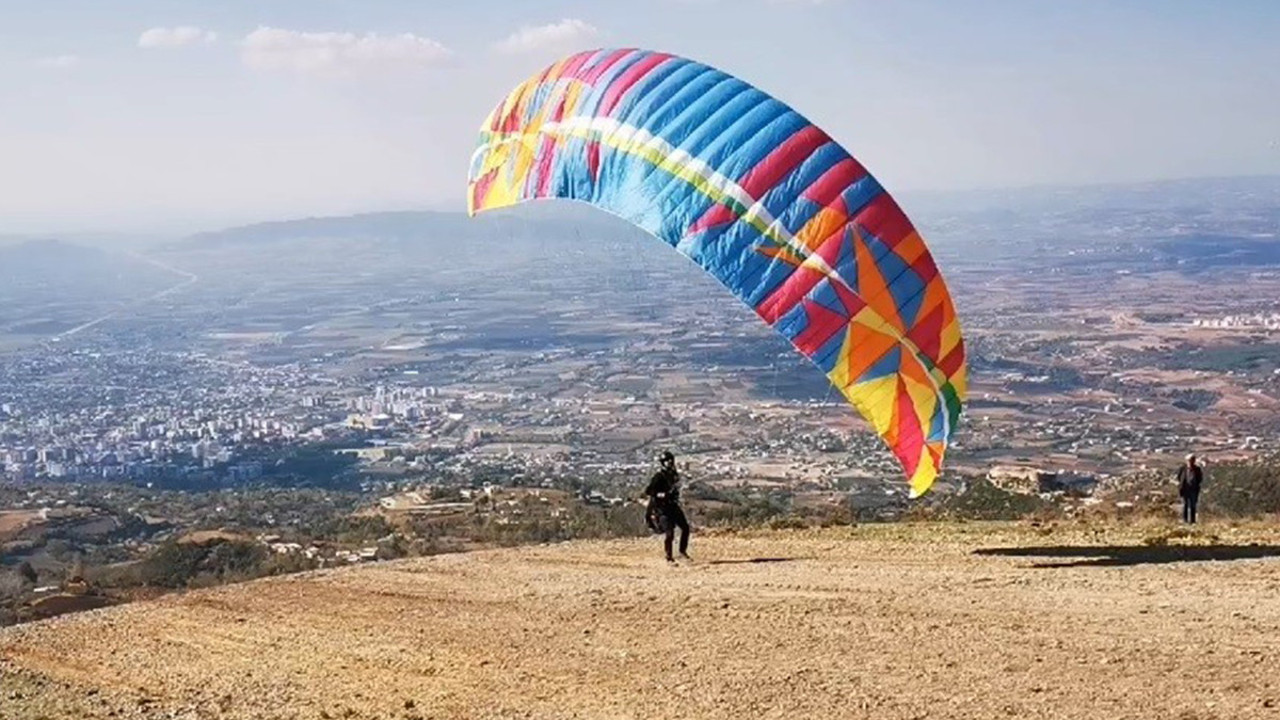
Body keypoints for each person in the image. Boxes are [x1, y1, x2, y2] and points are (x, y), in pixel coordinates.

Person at [644, 451, 690, 562]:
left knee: (685, 528)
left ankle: (682, 552)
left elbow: (676, 485)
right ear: (663, 463)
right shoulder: (658, 476)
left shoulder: (673, 474)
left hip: (673, 506)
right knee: (670, 533)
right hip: (662, 509)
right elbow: (649, 491)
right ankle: (669, 557)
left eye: (671, 460)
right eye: (667, 461)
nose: (669, 462)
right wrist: (664, 494)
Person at [1176, 453, 1204, 524]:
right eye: (1189, 460)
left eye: (1192, 460)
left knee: (1193, 505)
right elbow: (1179, 477)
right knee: (1185, 505)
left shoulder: (1197, 469)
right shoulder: (1182, 469)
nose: (1191, 462)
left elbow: (1200, 479)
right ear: (1187, 461)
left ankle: (1192, 521)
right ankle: (1185, 520)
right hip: (1185, 489)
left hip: (1194, 490)